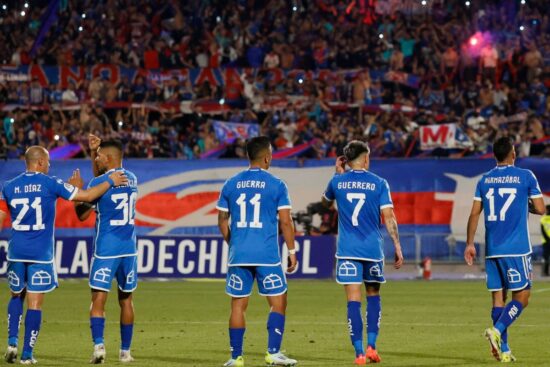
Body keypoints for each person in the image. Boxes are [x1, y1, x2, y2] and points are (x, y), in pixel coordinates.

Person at [0, 146, 127, 364]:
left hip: (16, 252)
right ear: (40, 162)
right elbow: (87, 195)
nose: (50, 165)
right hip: (41, 254)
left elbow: (1, 217)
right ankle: (27, 355)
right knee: (35, 304)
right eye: (48, 162)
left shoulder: (8, 187)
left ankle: (11, 343)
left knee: (15, 295)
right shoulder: (52, 183)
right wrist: (110, 181)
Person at [216, 136, 298, 367]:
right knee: (278, 301)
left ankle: (236, 357)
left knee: (238, 305)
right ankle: (273, 353)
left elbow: (222, 220)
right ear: (266, 157)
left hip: (239, 253)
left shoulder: (231, 183)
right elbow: (285, 221)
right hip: (267, 255)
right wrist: (292, 250)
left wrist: (233, 242)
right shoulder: (277, 184)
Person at [464, 137, 546, 363]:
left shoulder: (484, 180)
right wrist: (526, 204)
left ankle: (506, 351)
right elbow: (540, 208)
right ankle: (497, 331)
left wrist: (470, 243)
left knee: (498, 300)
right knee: (523, 297)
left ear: (494, 156)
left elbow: (474, 214)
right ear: (513, 154)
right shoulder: (526, 176)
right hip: (516, 249)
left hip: (492, 249)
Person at [321, 141, 403, 365]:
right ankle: (371, 347)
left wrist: (338, 173)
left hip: (347, 250)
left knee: (353, 301)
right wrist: (396, 245)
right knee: (374, 296)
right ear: (365, 159)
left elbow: (325, 204)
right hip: (372, 250)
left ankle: (358, 354)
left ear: (346, 161)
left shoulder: (337, 181)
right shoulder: (379, 183)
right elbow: (388, 217)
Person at [71, 136, 138, 364]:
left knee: (98, 299)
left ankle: (99, 348)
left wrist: (77, 190)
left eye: (99, 155)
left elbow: (82, 213)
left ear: (108, 158)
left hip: (106, 250)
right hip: (128, 249)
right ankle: (125, 353)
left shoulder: (96, 185)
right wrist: (92, 153)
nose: (96, 158)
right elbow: (102, 178)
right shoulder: (133, 179)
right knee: (126, 300)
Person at [541, 205, 550, 276]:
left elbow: (543, 230)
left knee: (546, 257)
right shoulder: (543, 219)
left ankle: (545, 272)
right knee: (546, 257)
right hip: (546, 241)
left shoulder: (543, 219)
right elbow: (543, 230)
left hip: (546, 241)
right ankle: (545, 272)